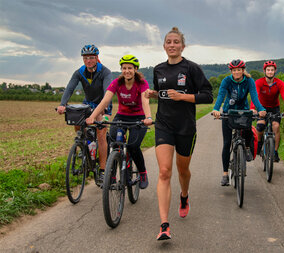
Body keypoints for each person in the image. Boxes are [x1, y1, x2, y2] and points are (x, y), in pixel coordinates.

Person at [146, 27, 213, 240]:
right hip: (164, 125)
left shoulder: (192, 68)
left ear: (182, 46)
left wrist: (183, 97)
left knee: (182, 170)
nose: (172, 45)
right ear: (164, 46)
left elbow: (207, 96)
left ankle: (184, 196)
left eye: (176, 42)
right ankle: (164, 225)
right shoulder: (158, 69)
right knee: (165, 171)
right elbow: (163, 94)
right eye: (168, 42)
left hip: (186, 127)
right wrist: (154, 94)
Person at [86, 54, 153, 189]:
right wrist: (92, 116)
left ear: (135, 69)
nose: (126, 71)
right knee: (113, 142)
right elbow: (105, 101)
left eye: (130, 68)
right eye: (124, 68)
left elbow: (145, 101)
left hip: (139, 118)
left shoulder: (142, 83)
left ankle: (142, 172)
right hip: (121, 117)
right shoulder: (117, 82)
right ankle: (112, 174)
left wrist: (148, 117)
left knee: (133, 147)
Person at [57, 44, 112, 180]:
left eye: (92, 57)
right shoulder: (79, 72)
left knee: (101, 132)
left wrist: (104, 109)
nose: (88, 60)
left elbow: (107, 92)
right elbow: (70, 88)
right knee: (77, 122)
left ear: (97, 58)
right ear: (83, 59)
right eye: (86, 58)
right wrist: (62, 104)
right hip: (87, 104)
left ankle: (103, 169)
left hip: (103, 104)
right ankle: (85, 145)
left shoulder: (105, 72)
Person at [212, 59, 266, 187]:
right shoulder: (226, 81)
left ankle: (247, 148)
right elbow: (221, 95)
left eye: (239, 70)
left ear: (243, 70)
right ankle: (225, 174)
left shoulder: (249, 81)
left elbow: (254, 96)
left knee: (247, 129)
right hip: (228, 112)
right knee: (226, 143)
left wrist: (261, 109)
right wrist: (216, 109)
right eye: (234, 70)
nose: (236, 72)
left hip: (243, 111)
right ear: (231, 71)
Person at [250, 60, 284, 162]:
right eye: (268, 70)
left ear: (275, 71)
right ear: (264, 71)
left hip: (274, 108)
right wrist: (253, 108)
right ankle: (259, 143)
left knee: (276, 127)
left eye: (272, 70)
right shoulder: (259, 82)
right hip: (262, 108)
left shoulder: (279, 83)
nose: (270, 72)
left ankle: (275, 152)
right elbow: (255, 96)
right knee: (260, 126)